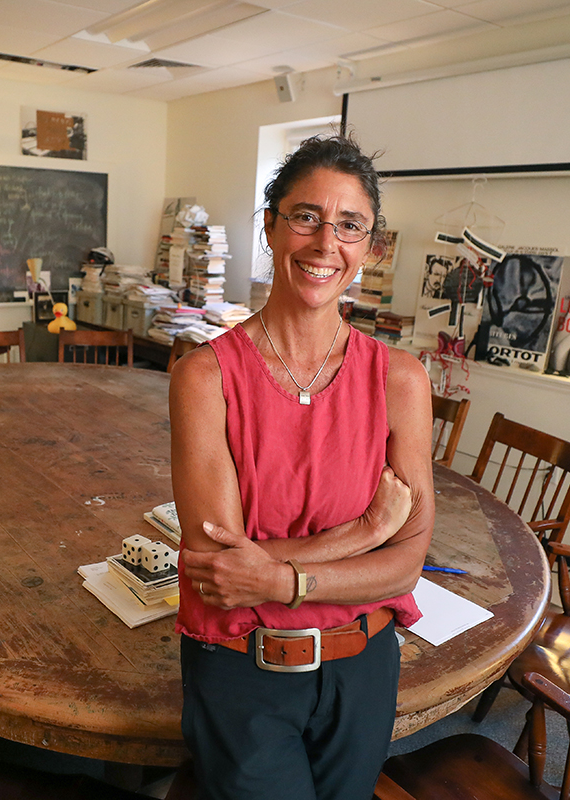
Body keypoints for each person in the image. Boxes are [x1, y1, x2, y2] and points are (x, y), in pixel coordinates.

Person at [170, 132, 434, 800]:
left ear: (369, 248)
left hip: (364, 670)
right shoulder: (205, 377)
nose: (325, 244)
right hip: (243, 674)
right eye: (306, 217)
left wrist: (280, 576)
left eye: (350, 226)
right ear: (270, 226)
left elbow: (407, 564)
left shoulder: (401, 380)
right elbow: (223, 574)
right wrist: (365, 532)